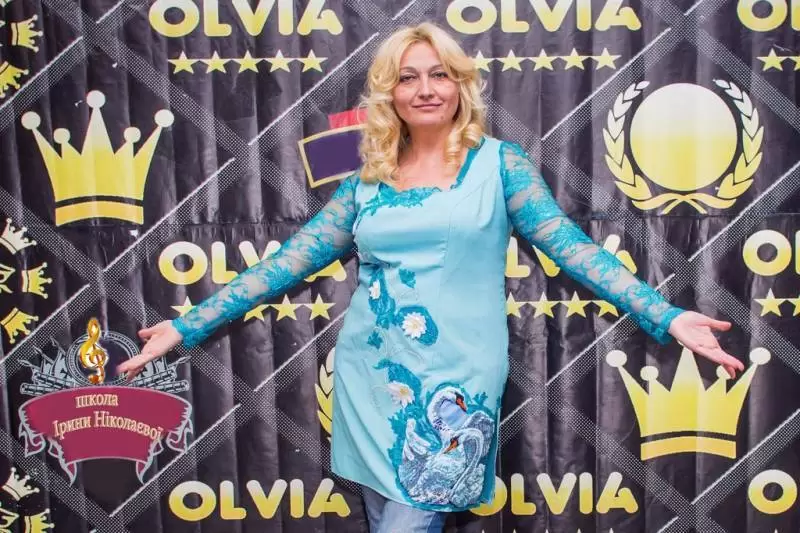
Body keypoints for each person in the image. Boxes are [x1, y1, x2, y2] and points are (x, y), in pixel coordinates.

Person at [118, 22, 744, 533]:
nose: (425, 89)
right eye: (408, 77)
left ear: (461, 85)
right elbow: (286, 263)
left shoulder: (500, 166)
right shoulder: (367, 180)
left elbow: (574, 251)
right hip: (371, 380)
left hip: (455, 388)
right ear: (388, 93)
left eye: (439, 74)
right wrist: (185, 325)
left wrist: (667, 315)